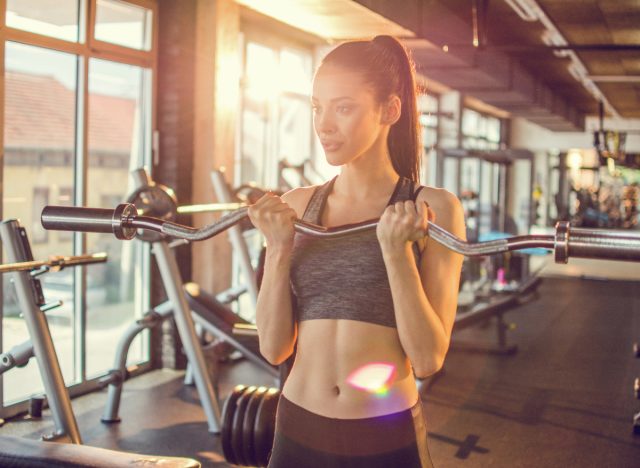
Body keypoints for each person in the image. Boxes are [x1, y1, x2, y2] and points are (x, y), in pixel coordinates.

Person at [248, 35, 466, 468]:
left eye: (343, 107)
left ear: (390, 110)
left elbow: (427, 359)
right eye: (317, 107)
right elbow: (274, 349)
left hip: (383, 435)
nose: (324, 124)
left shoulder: (432, 209)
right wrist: (277, 248)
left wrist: (397, 253)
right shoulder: (297, 205)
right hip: (297, 427)